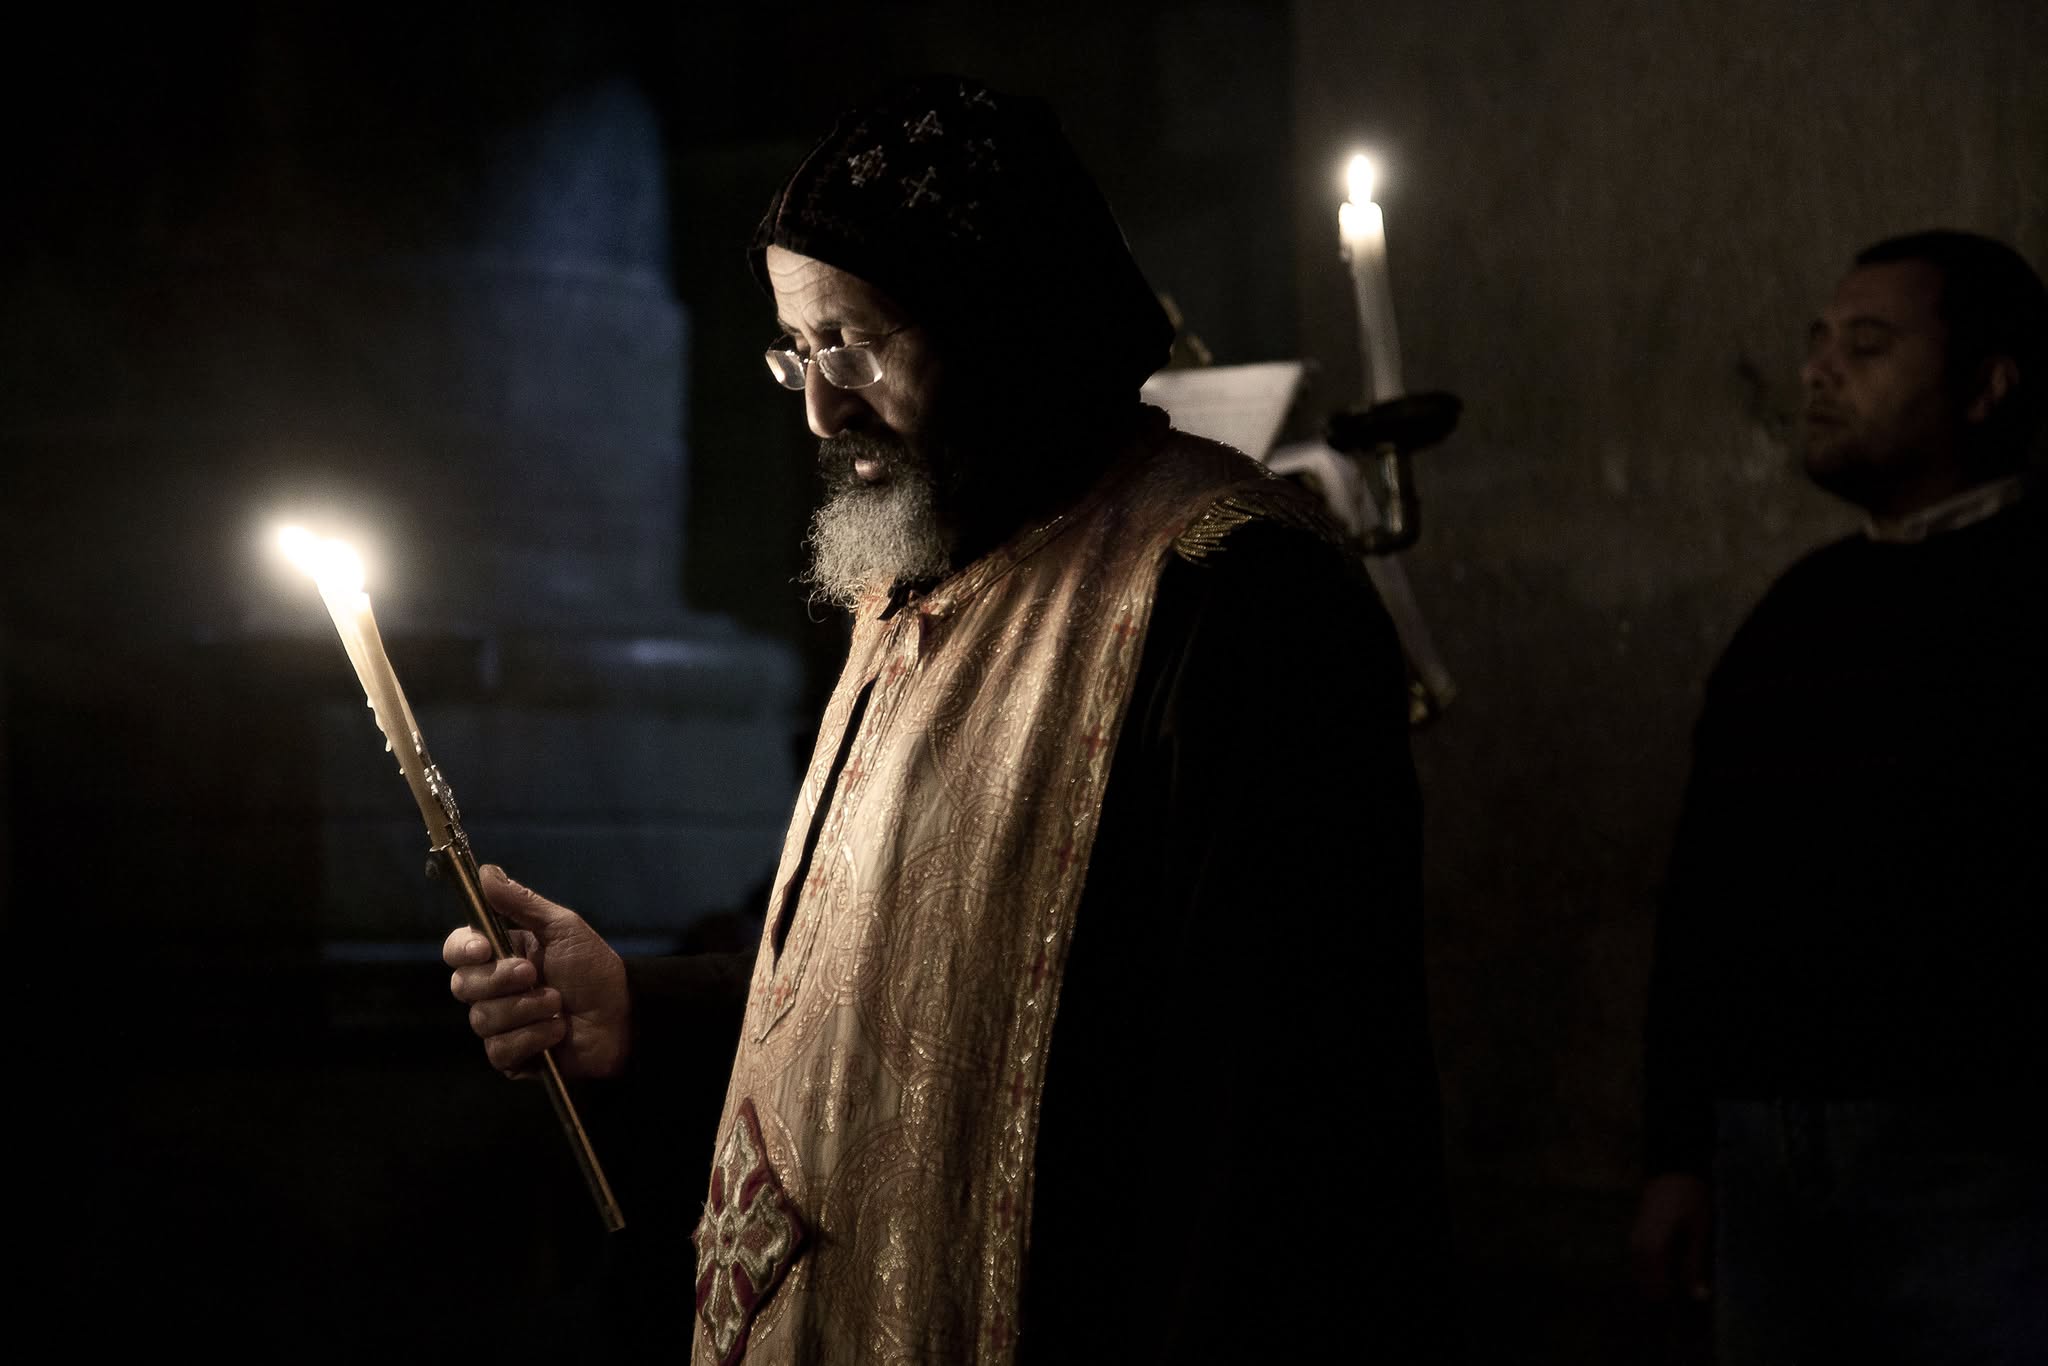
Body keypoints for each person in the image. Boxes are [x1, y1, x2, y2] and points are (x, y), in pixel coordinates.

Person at [445, 76, 1450, 1364]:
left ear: (1007, 322)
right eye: (795, 352)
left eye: (854, 345)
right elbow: (899, 992)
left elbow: (1282, 1115)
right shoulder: (909, 580)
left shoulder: (1235, 593)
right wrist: (640, 1007)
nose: (821, 407)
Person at [1631, 230, 2048, 1363]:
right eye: (1817, 341)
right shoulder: (1798, 610)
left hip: (1977, 1162)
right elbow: (1703, 893)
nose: (1817, 370)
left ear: (1987, 384)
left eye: (1866, 346)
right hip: (1764, 1162)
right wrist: (1677, 1152)